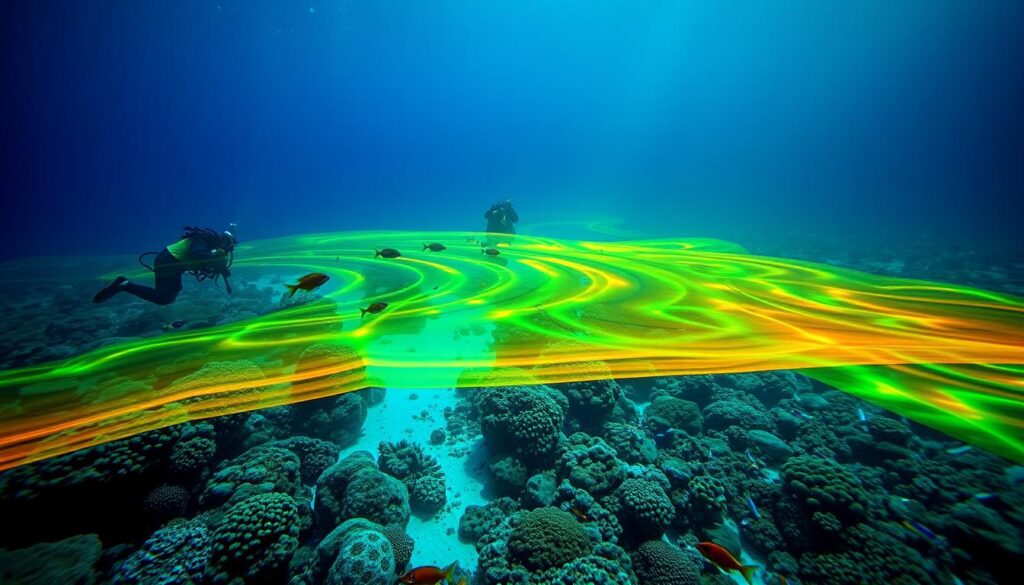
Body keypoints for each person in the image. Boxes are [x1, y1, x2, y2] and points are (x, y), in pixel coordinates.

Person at [93, 224, 238, 305]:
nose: (225, 251)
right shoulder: (201, 242)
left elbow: (207, 260)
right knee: (164, 298)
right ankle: (125, 285)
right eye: (226, 247)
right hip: (168, 262)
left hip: (174, 264)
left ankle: (124, 285)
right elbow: (198, 255)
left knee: (173, 293)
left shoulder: (208, 246)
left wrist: (221, 267)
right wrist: (216, 258)